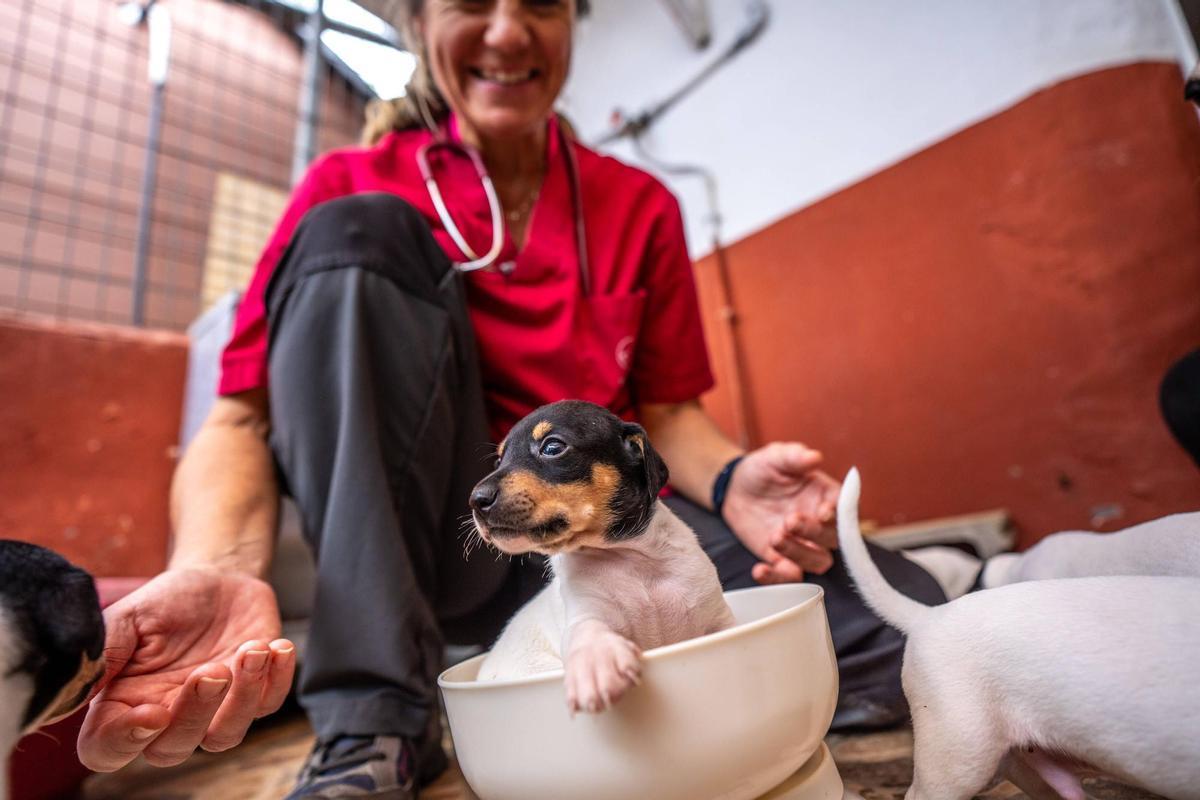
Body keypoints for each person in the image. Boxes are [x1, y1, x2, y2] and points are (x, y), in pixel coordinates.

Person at [76, 1, 945, 797]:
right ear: (418, 23)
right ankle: (377, 720)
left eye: (539, 2)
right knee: (357, 232)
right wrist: (221, 568)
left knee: (901, 624)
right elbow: (237, 417)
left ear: (573, 20)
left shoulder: (635, 206)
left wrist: (730, 482)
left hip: (595, 529)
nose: (506, 32)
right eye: (469, 3)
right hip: (433, 534)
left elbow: (670, 417)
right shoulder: (350, 183)